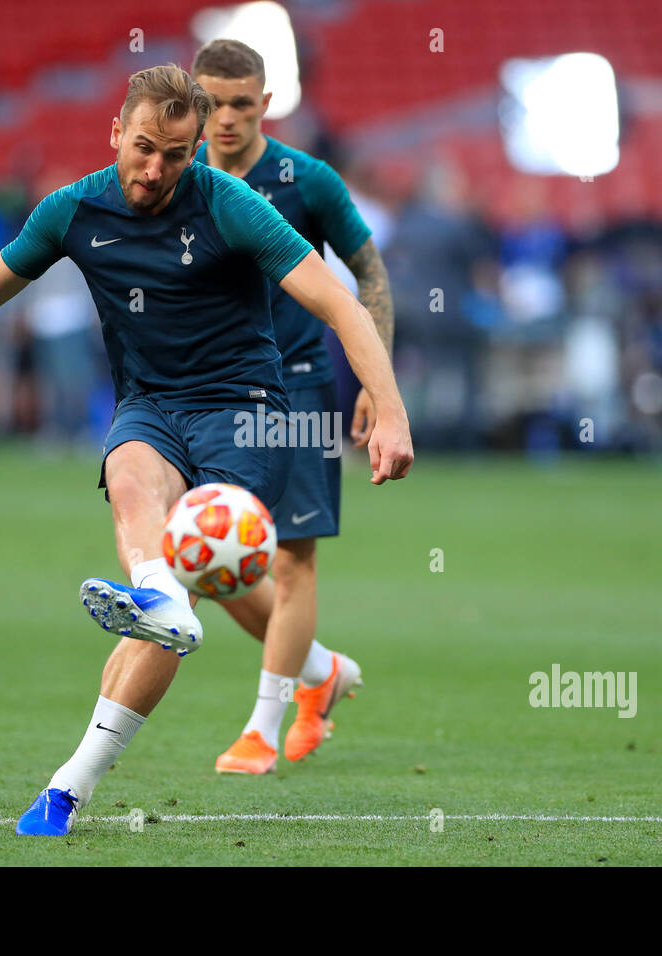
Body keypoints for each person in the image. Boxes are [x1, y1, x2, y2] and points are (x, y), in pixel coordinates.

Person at [0, 64, 413, 837]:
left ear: (196, 147)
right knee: (134, 485)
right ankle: (162, 596)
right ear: (115, 133)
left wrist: (393, 411)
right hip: (150, 406)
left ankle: (71, 782)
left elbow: (340, 299)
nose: (155, 169)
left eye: (176, 154)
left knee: (191, 588)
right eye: (143, 148)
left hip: (244, 414)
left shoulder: (230, 204)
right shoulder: (73, 210)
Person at [190, 38, 395, 774]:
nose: (226, 119)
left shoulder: (307, 181)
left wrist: (374, 379)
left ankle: (262, 729)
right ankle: (321, 671)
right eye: (211, 104)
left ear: (266, 103)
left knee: (292, 559)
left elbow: (368, 272)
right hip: (208, 390)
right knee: (204, 560)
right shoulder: (175, 177)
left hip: (300, 384)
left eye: (242, 104)